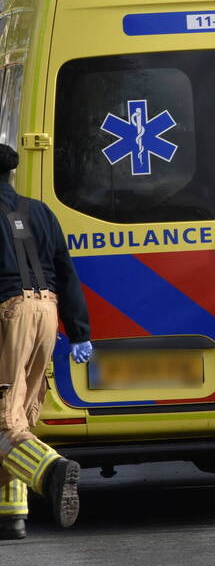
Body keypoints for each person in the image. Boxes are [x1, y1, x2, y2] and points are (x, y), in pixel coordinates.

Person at [0, 145, 92, 540]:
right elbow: (66, 271)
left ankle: (52, 472)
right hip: (46, 312)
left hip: (8, 313)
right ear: (11, 175)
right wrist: (79, 332)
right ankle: (12, 514)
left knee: (4, 418)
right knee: (20, 412)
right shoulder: (38, 210)